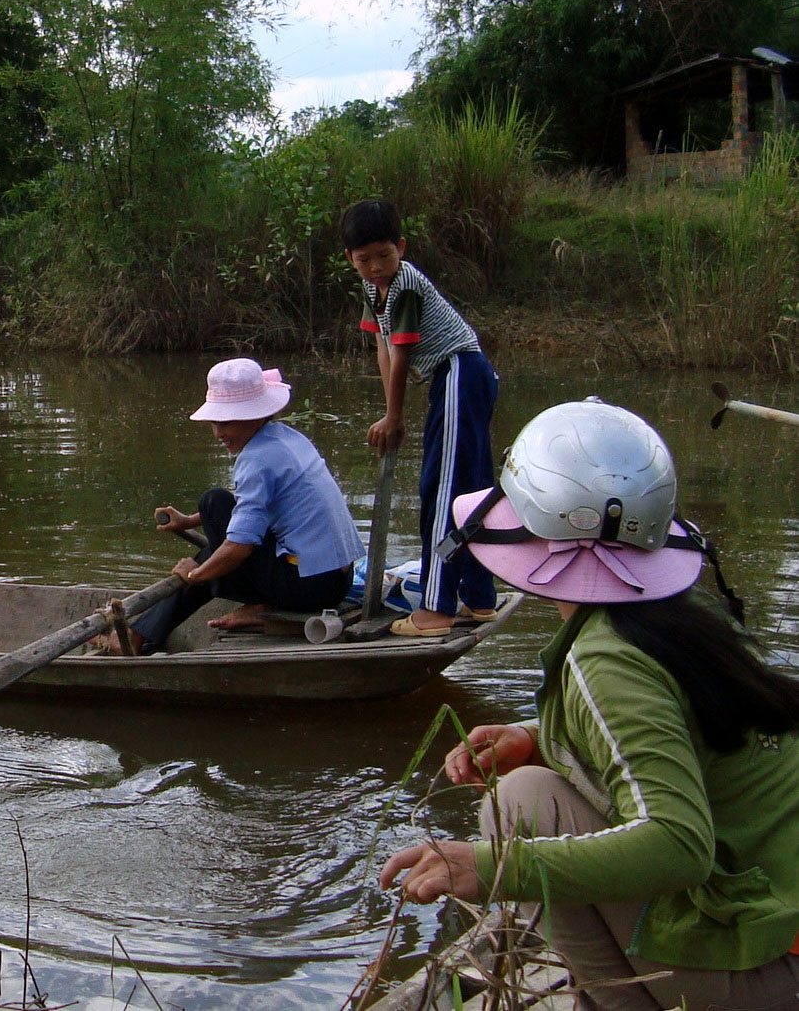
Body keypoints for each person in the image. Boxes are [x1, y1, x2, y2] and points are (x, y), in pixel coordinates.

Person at [378, 399, 799, 1011]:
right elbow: (677, 731)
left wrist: (489, 864)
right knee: (533, 780)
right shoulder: (673, 616)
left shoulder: (603, 660)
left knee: (520, 804)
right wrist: (538, 736)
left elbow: (679, 843)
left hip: (766, 963)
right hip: (773, 914)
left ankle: (618, 1004)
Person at [116, 357, 364, 654]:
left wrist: (194, 575)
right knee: (215, 503)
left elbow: (239, 549)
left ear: (257, 416)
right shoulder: (286, 437)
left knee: (215, 549)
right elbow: (251, 508)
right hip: (338, 580)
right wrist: (188, 522)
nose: (219, 433)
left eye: (228, 422)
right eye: (215, 423)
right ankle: (140, 633)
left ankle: (135, 636)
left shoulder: (256, 459)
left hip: (308, 589)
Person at [342, 198, 500, 637]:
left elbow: (404, 351)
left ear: (402, 248)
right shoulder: (374, 291)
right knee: (470, 492)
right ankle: (479, 598)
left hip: (460, 373)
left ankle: (436, 609)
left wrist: (395, 417)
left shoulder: (406, 284)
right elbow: (383, 347)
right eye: (364, 259)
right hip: (459, 379)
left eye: (384, 255)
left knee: (442, 492)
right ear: (350, 260)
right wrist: (387, 412)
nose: (376, 267)